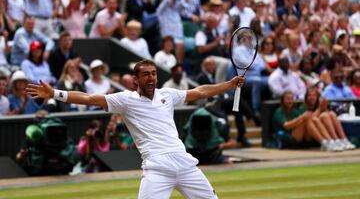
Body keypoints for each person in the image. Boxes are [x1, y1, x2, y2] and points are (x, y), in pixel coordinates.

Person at [26, 59, 245, 198]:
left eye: (153, 74)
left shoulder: (167, 94)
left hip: (185, 164)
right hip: (157, 168)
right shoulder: (125, 100)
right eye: (146, 74)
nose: (151, 78)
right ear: (135, 80)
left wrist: (229, 84)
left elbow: (200, 92)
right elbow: (90, 98)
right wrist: (55, 93)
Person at [272, 91, 341, 151]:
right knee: (307, 119)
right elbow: (286, 126)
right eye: (287, 99)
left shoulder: (294, 110)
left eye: (291, 99)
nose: (290, 101)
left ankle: (330, 141)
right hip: (288, 136)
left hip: (304, 136)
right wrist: (301, 118)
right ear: (282, 100)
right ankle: (324, 142)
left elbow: (311, 118)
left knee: (318, 118)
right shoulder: (279, 111)